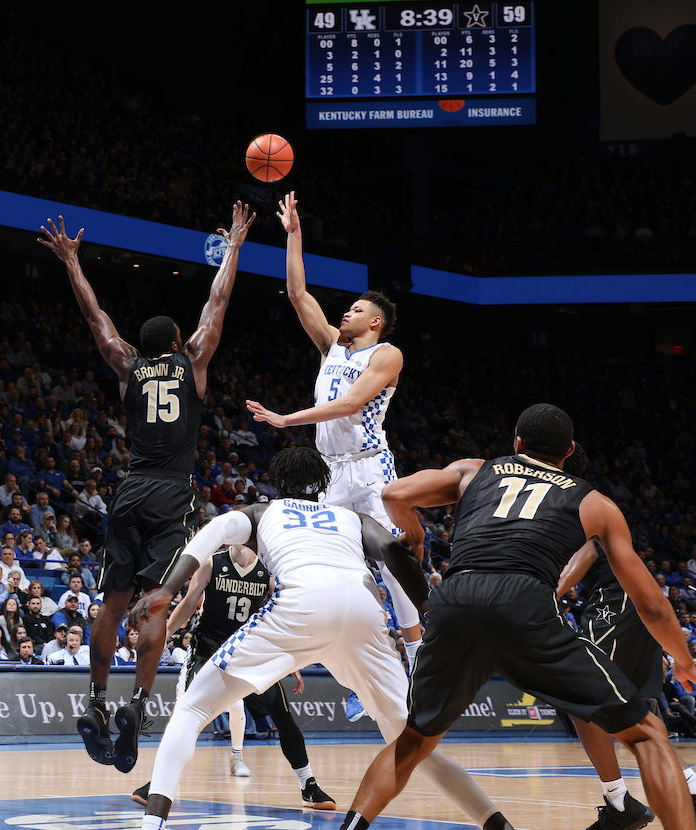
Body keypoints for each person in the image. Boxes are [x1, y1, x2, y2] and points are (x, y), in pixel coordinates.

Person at [336, 404, 696, 830]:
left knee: (414, 743)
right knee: (646, 733)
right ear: (569, 450)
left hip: (456, 599)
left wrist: (416, 536)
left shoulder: (474, 471)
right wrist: (683, 663)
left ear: (516, 442)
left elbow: (393, 494)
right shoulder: (594, 502)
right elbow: (653, 606)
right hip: (525, 603)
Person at [130, 447, 509, 830]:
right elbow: (395, 551)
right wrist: (431, 609)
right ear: (323, 486)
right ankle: (495, 824)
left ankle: (152, 826)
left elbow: (209, 536)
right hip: (363, 610)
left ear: (276, 484)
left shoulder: (261, 513)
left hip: (301, 606)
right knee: (412, 743)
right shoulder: (351, 517)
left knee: (192, 709)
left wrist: (166, 589)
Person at [38, 201, 255, 772]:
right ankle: (137, 704)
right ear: (180, 340)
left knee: (112, 601)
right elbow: (219, 302)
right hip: (171, 489)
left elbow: (96, 319)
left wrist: (72, 263)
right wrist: (232, 246)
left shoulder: (126, 365)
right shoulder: (194, 359)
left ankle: (95, 700)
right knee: (159, 599)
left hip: (128, 488)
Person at [246, 193, 422, 722]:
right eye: (348, 307)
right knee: (337, 565)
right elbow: (297, 291)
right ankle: (361, 662)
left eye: (358, 309)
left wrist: (284, 419)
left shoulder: (385, 355)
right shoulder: (331, 346)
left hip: (370, 469)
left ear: (375, 324)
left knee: (393, 565)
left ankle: (416, 662)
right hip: (331, 475)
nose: (347, 311)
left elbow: (347, 403)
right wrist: (294, 232)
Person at [554, 447, 696, 830]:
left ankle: (620, 804)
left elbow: (589, 547)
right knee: (630, 716)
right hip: (631, 604)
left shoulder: (571, 498)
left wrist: (553, 591)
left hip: (616, 601)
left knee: (580, 695)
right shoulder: (591, 500)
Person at [130, 542, 334, 807]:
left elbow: (281, 616)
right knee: (184, 716)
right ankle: (158, 784)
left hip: (249, 650)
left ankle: (308, 785)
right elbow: (190, 603)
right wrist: (165, 633)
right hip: (209, 649)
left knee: (283, 717)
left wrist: (290, 659)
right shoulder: (212, 562)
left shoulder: (266, 571)